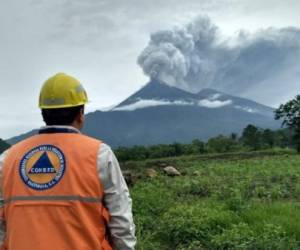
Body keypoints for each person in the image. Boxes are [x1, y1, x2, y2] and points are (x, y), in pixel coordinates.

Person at [0, 73, 136, 250]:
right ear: (81, 114)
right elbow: (121, 218)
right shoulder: (99, 154)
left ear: (43, 114)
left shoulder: (9, 157)